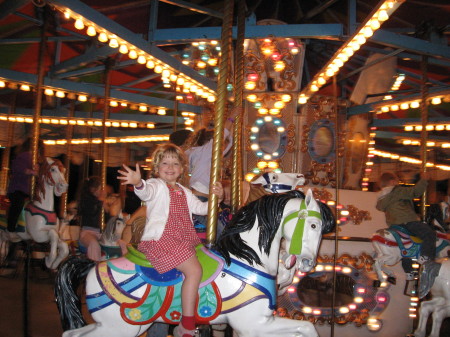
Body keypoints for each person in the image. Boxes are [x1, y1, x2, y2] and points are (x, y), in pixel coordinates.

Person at [117, 143, 223, 337]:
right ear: (157, 169)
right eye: (165, 163)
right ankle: (187, 324)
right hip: (162, 240)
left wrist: (217, 199)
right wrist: (138, 183)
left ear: (182, 169)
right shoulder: (156, 186)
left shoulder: (184, 190)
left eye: (175, 163)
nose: (170, 167)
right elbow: (145, 192)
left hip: (182, 239)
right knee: (194, 270)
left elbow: (200, 209)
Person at [376, 171, 440, 296]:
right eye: (396, 180)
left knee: (407, 246)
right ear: (392, 182)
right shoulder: (397, 191)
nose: (398, 182)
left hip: (395, 225)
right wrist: (424, 180)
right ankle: (426, 258)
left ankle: (409, 272)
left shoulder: (383, 197)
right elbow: (415, 192)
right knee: (429, 233)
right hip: (407, 221)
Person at [185, 107, 240, 228]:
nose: (221, 147)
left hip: (204, 198)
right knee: (221, 231)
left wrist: (233, 132)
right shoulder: (205, 152)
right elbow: (221, 137)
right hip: (200, 199)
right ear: (210, 142)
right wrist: (231, 117)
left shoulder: (198, 155)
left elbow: (227, 143)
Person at [77, 176, 126, 261]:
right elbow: (92, 210)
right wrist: (102, 200)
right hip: (86, 233)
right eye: (100, 189)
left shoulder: (99, 202)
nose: (102, 192)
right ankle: (94, 266)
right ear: (93, 189)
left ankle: (123, 265)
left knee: (121, 243)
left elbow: (109, 212)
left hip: (99, 234)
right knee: (94, 244)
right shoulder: (87, 201)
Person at [6, 138, 39, 235]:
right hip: (18, 189)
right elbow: (19, 169)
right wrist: (32, 171)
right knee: (18, 204)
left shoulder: (33, 158)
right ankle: (10, 228)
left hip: (27, 190)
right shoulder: (23, 156)